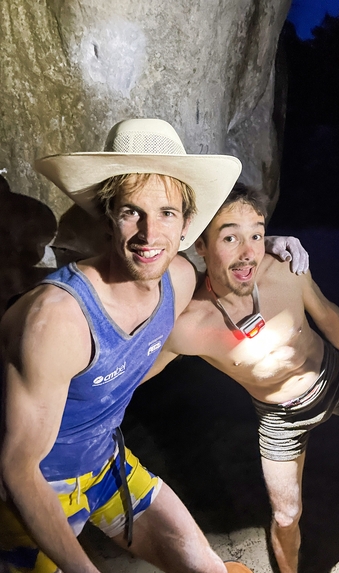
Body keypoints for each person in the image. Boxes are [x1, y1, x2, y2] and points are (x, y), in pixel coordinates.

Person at [0, 119, 306, 573]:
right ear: (108, 217)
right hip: (30, 490)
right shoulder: (58, 320)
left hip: (104, 463)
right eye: (131, 211)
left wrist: (264, 248)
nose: (149, 234)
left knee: (210, 569)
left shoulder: (179, 280)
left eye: (166, 212)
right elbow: (19, 467)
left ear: (186, 224)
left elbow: (226, 278)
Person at [146, 183, 339, 573]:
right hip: (280, 417)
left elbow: (326, 313)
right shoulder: (188, 326)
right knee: (285, 515)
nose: (249, 252)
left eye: (257, 235)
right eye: (230, 237)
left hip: (333, 377)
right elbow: (139, 372)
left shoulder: (284, 269)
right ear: (200, 245)